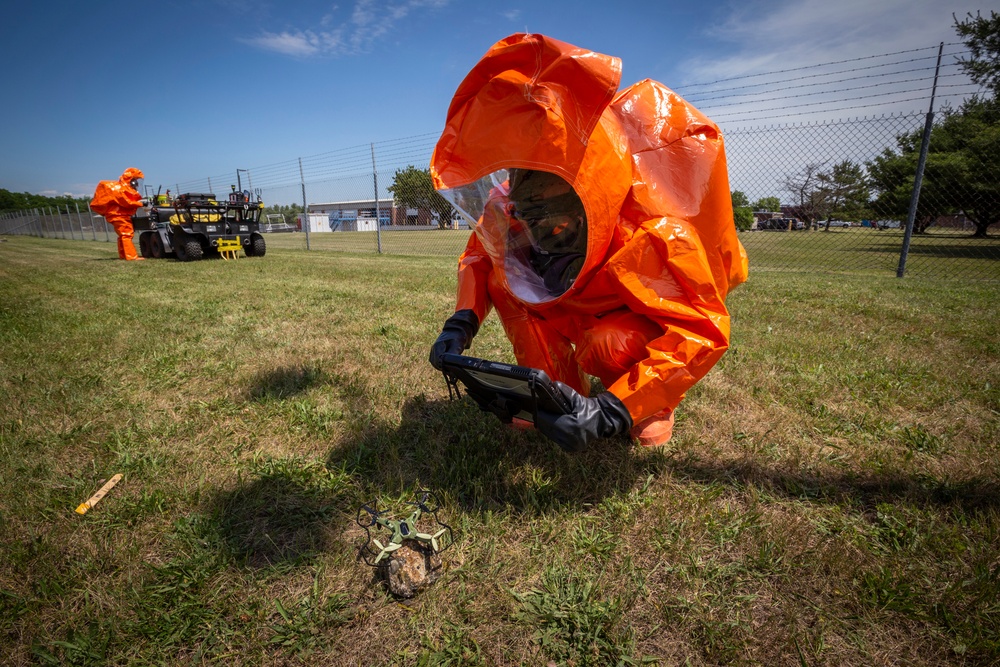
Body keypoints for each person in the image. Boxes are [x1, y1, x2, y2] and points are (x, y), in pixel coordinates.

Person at [428, 34, 748, 452]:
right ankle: (554, 396)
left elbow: (701, 331)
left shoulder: (652, 235)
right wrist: (460, 324)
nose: (535, 224)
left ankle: (648, 405)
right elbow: (480, 255)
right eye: (529, 208)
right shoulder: (510, 208)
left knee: (607, 345)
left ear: (586, 201)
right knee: (505, 282)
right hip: (573, 303)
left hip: (624, 319)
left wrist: (612, 410)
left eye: (550, 212)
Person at [90, 167, 145, 261]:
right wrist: (141, 203)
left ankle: (123, 255)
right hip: (119, 215)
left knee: (123, 235)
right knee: (127, 234)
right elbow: (127, 202)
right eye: (135, 181)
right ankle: (131, 256)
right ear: (131, 180)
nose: (136, 184)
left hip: (117, 214)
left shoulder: (119, 188)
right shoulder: (120, 189)